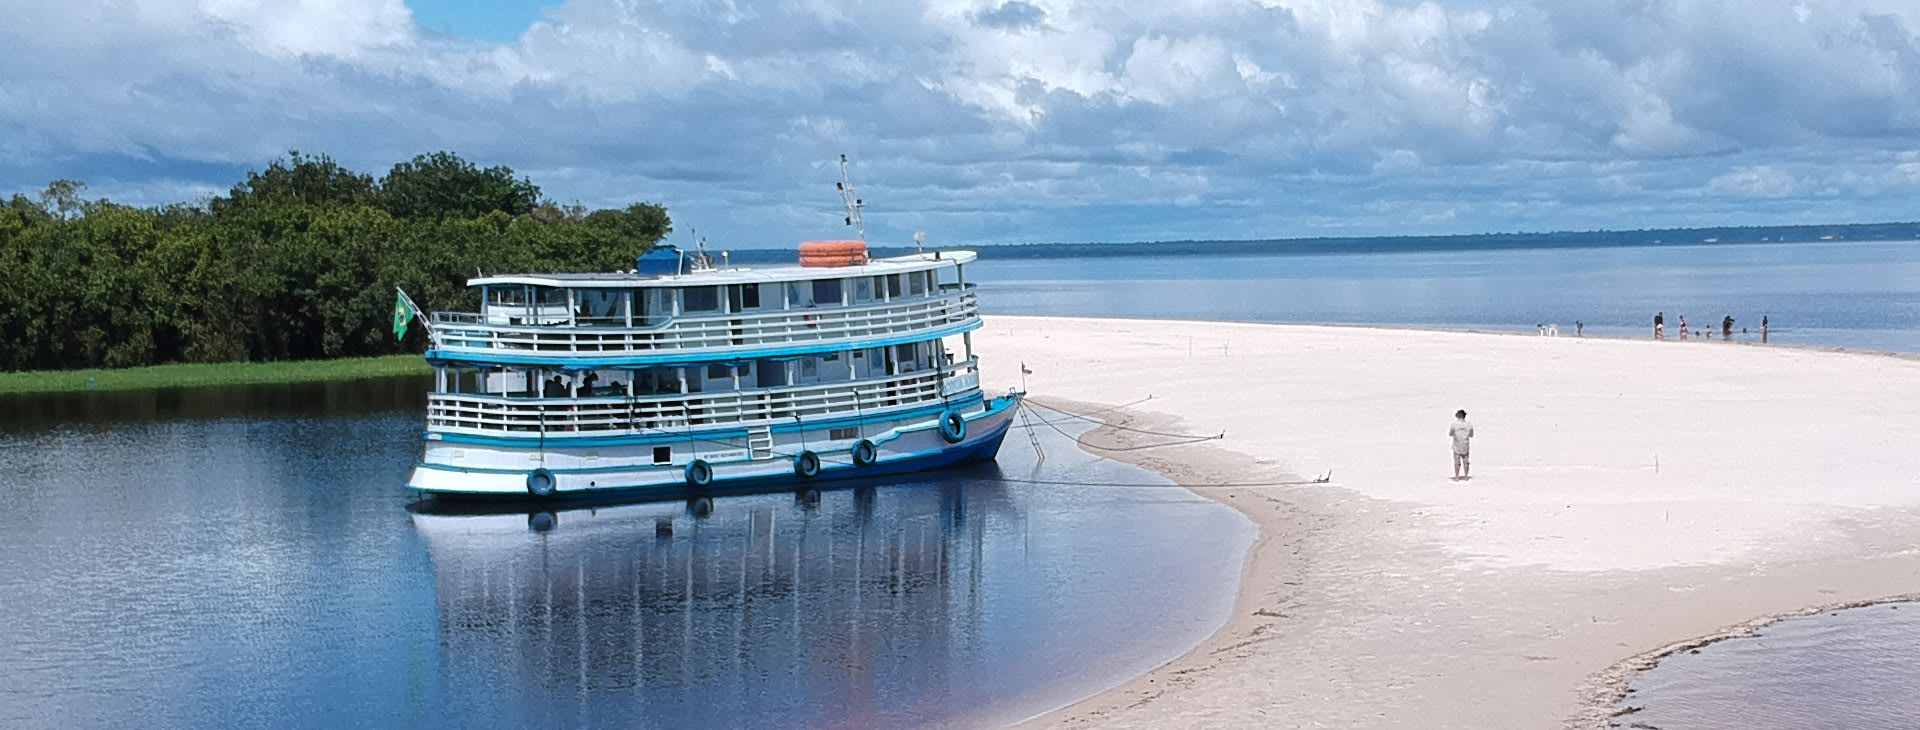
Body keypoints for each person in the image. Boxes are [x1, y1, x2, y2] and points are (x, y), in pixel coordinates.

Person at [1449, 409, 1475, 481]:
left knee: (1457, 462)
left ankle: (1457, 476)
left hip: (1456, 445)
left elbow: (1450, 434)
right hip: (1465, 445)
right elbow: (1471, 435)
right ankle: (1466, 476)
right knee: (1466, 462)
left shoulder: (1454, 424)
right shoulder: (1469, 425)